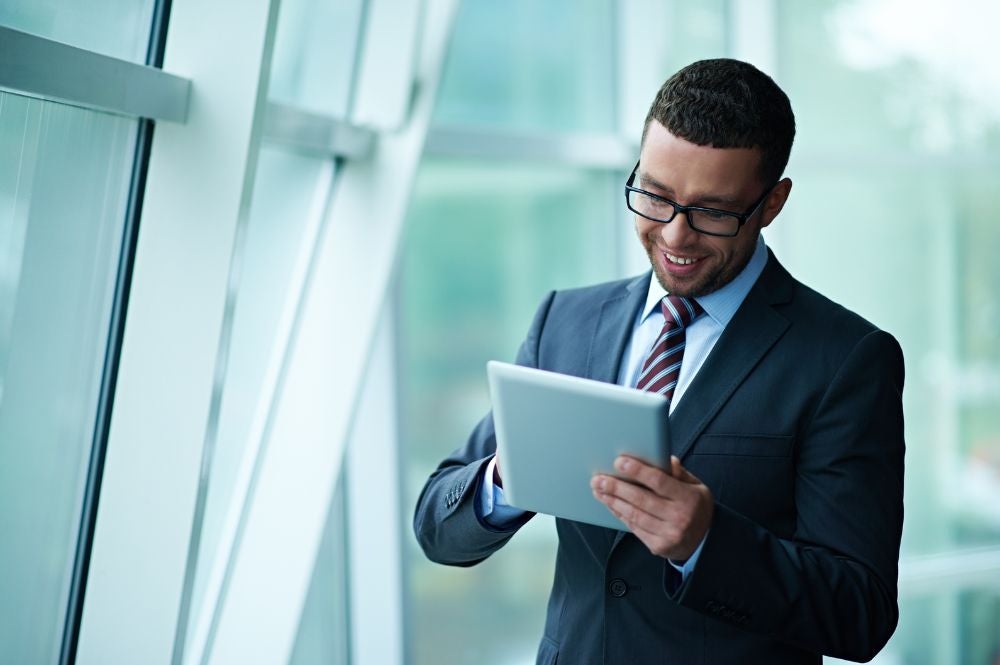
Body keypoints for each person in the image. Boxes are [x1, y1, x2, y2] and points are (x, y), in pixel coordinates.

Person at [413, 58, 905, 664]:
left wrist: (706, 541)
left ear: (772, 203)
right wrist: (505, 479)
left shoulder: (845, 360)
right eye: (654, 196)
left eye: (713, 211)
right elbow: (439, 527)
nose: (674, 236)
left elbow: (862, 614)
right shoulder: (565, 323)